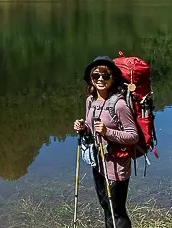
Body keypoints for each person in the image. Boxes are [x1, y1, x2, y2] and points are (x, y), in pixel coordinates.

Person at [73, 56, 139, 228]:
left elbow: (133, 136)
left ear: (113, 77)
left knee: (117, 211)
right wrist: (83, 127)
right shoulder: (91, 100)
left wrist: (107, 131)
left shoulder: (119, 105)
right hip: (99, 163)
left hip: (117, 167)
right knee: (105, 206)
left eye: (105, 75)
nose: (100, 79)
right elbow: (90, 125)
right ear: (91, 78)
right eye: (96, 76)